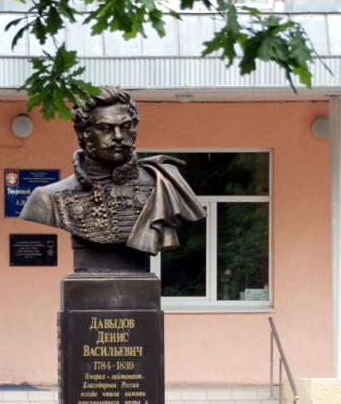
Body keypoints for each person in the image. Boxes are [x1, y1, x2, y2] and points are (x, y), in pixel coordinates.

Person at [19, 85, 204, 272]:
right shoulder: (48, 197)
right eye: (106, 128)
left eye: (125, 127)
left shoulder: (161, 180)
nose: (118, 136)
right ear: (84, 134)